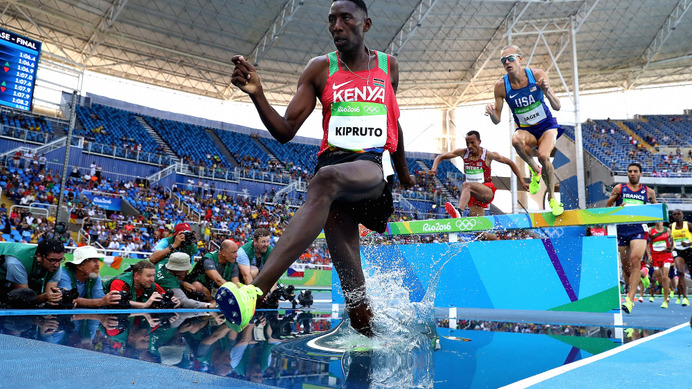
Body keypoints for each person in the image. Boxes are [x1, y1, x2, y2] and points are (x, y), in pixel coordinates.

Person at [223, 0, 415, 336]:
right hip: (331, 183)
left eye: (345, 19)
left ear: (365, 24)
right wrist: (257, 93)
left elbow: (394, 124)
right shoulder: (319, 69)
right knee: (355, 298)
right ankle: (377, 341)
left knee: (325, 179)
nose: (336, 26)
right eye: (331, 20)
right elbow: (285, 131)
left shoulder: (390, 66)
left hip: (366, 170)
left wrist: (404, 174)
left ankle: (255, 291)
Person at [485, 45, 564, 216]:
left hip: (547, 127)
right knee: (515, 140)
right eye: (503, 60)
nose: (507, 62)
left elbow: (557, 106)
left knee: (544, 156)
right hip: (526, 131)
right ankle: (536, 170)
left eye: (510, 58)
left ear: (520, 58)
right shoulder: (501, 86)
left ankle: (552, 199)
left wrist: (546, 92)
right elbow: (497, 120)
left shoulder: (537, 75)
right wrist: (492, 114)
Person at [427, 130, 529, 218]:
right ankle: (497, 240)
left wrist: (522, 181)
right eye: (467, 143)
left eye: (472, 143)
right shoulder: (463, 152)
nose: (469, 146)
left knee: (466, 184)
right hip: (474, 195)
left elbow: (510, 162)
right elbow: (440, 157)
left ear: (479, 142)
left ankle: (459, 212)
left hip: (486, 191)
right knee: (480, 230)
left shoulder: (488, 155)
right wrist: (434, 168)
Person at [606, 162, 657, 314]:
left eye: (635, 171)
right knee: (627, 269)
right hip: (622, 230)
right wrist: (618, 208)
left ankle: (630, 300)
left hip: (639, 229)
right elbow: (608, 207)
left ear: (641, 174)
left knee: (635, 260)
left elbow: (656, 212)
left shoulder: (649, 192)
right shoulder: (619, 189)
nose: (632, 173)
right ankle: (643, 274)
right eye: (630, 171)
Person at [0, 239, 64, 307]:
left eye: (60, 260)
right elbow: (25, 299)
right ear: (39, 257)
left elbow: (50, 296)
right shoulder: (16, 263)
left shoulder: (55, 263)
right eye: (52, 260)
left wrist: (55, 297)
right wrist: (45, 297)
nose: (57, 265)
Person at [104, 260, 180, 309]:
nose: (152, 279)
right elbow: (116, 302)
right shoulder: (120, 282)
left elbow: (164, 297)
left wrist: (173, 301)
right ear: (137, 276)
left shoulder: (151, 284)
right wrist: (144, 305)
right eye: (149, 276)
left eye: (153, 275)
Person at [647, 222, 674, 308]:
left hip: (666, 255)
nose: (659, 222)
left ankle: (665, 300)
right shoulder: (650, 230)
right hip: (655, 256)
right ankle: (665, 288)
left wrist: (671, 248)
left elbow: (672, 242)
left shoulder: (667, 230)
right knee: (659, 278)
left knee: (665, 276)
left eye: (660, 220)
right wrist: (649, 255)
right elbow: (647, 244)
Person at [670, 209, 691, 306]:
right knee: (681, 272)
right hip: (678, 251)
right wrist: (669, 247)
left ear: (682, 215)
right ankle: (685, 298)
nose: (677, 215)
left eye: (678, 214)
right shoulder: (671, 226)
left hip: (690, 250)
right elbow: (671, 240)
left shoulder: (689, 225)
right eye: (674, 214)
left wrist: (688, 243)